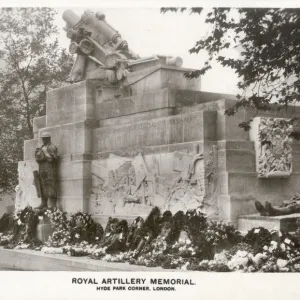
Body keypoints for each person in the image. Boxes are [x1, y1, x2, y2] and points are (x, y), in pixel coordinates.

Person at [35, 132, 58, 209]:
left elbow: (52, 159)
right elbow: (38, 159)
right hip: (42, 169)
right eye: (42, 138)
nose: (43, 140)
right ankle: (43, 203)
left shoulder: (52, 147)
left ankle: (53, 205)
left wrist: (44, 153)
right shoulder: (41, 147)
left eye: (44, 138)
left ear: (48, 138)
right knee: (41, 185)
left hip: (50, 169)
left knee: (51, 185)